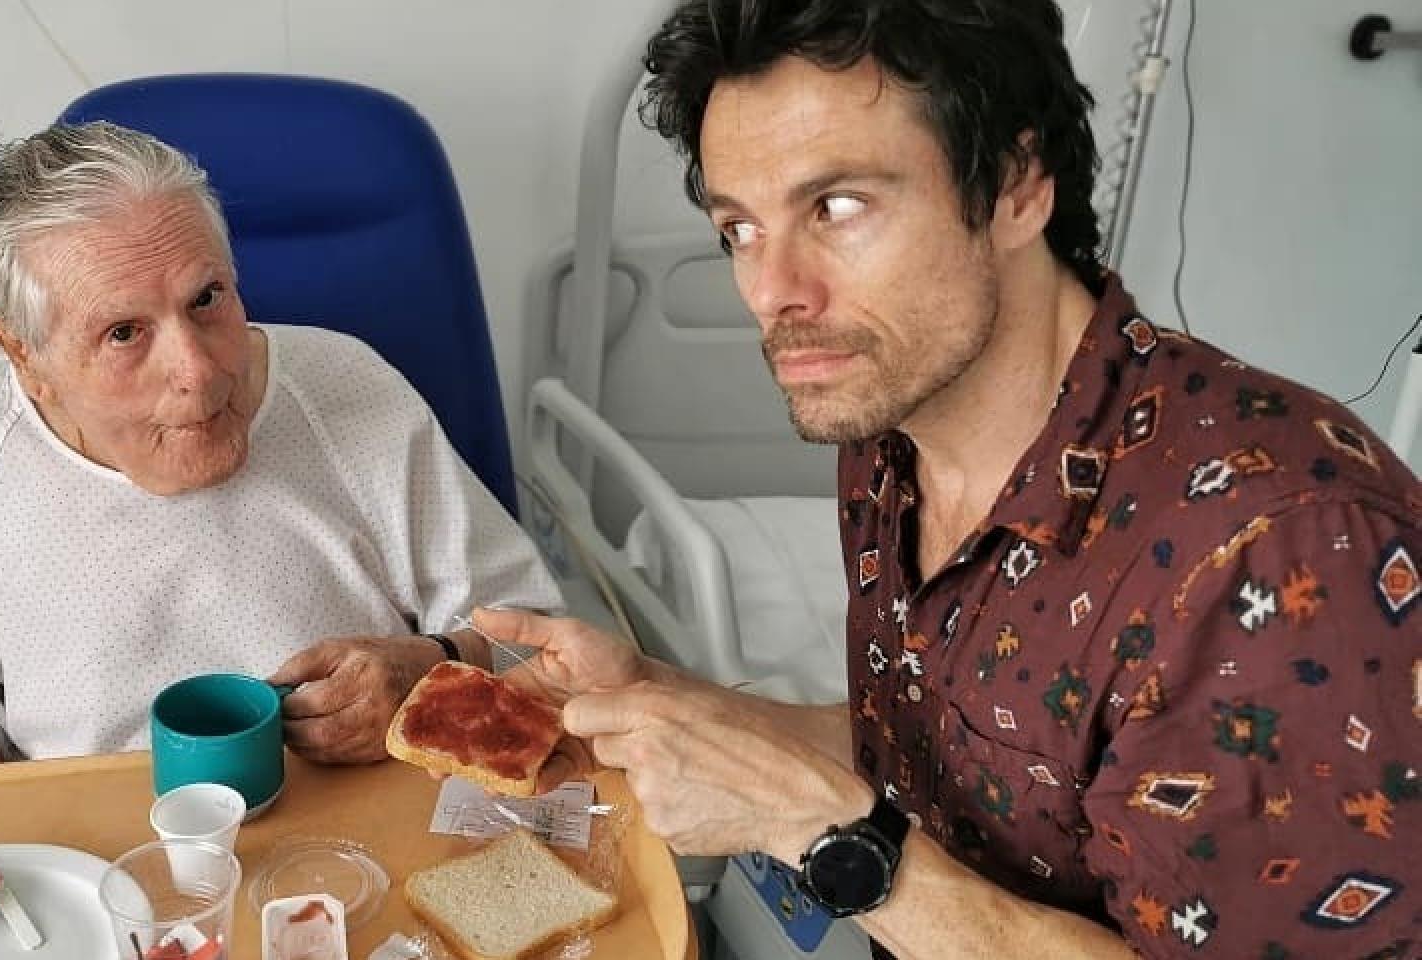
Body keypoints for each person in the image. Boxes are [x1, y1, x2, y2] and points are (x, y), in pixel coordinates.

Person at [476, 1, 1421, 958]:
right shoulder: (893, 436)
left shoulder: (1282, 563)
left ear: (1015, 187)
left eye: (836, 207)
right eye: (739, 229)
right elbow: (952, 755)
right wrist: (670, 707)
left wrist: (831, 835)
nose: (772, 293)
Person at [0, 121, 560, 779]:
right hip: (80, 852)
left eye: (208, 299)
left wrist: (435, 667)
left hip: (350, 824)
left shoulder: (347, 386)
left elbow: (534, 638)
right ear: (23, 355)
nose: (200, 371)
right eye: (123, 333)